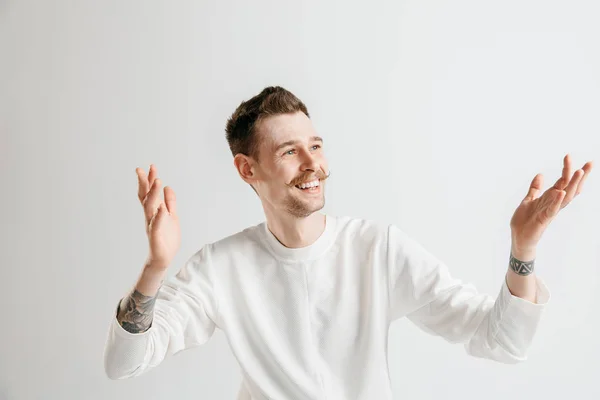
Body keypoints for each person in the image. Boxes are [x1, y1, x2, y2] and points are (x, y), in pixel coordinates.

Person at [103, 86, 593, 399]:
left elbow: (503, 343)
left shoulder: (377, 249)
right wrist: (156, 267)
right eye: (290, 151)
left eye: (315, 146)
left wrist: (523, 249)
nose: (312, 164)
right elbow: (124, 365)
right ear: (247, 169)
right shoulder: (220, 267)